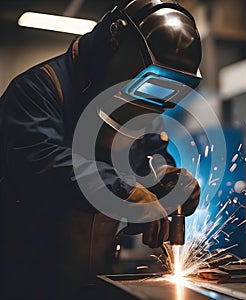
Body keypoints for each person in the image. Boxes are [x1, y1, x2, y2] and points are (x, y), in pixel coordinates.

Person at [0, 0, 202, 299]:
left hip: (95, 280)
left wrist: (165, 181)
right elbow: (43, 163)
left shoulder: (131, 111)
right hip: (25, 280)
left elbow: (145, 163)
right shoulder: (37, 90)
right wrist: (123, 191)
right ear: (114, 48)